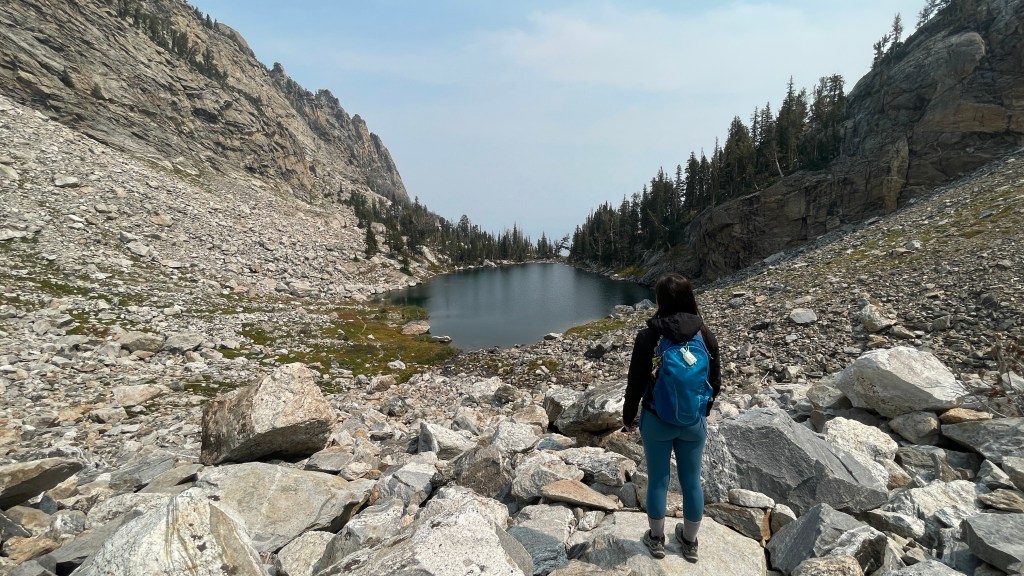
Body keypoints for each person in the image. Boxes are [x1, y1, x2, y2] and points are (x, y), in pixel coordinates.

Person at [622, 273, 721, 562]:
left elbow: (636, 383)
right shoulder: (705, 334)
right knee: (691, 481)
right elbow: (715, 382)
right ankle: (689, 543)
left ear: (660, 301)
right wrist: (702, 411)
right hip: (693, 422)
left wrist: (629, 418)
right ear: (690, 297)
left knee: (658, 481)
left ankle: (656, 539)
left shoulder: (650, 336)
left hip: (656, 419)